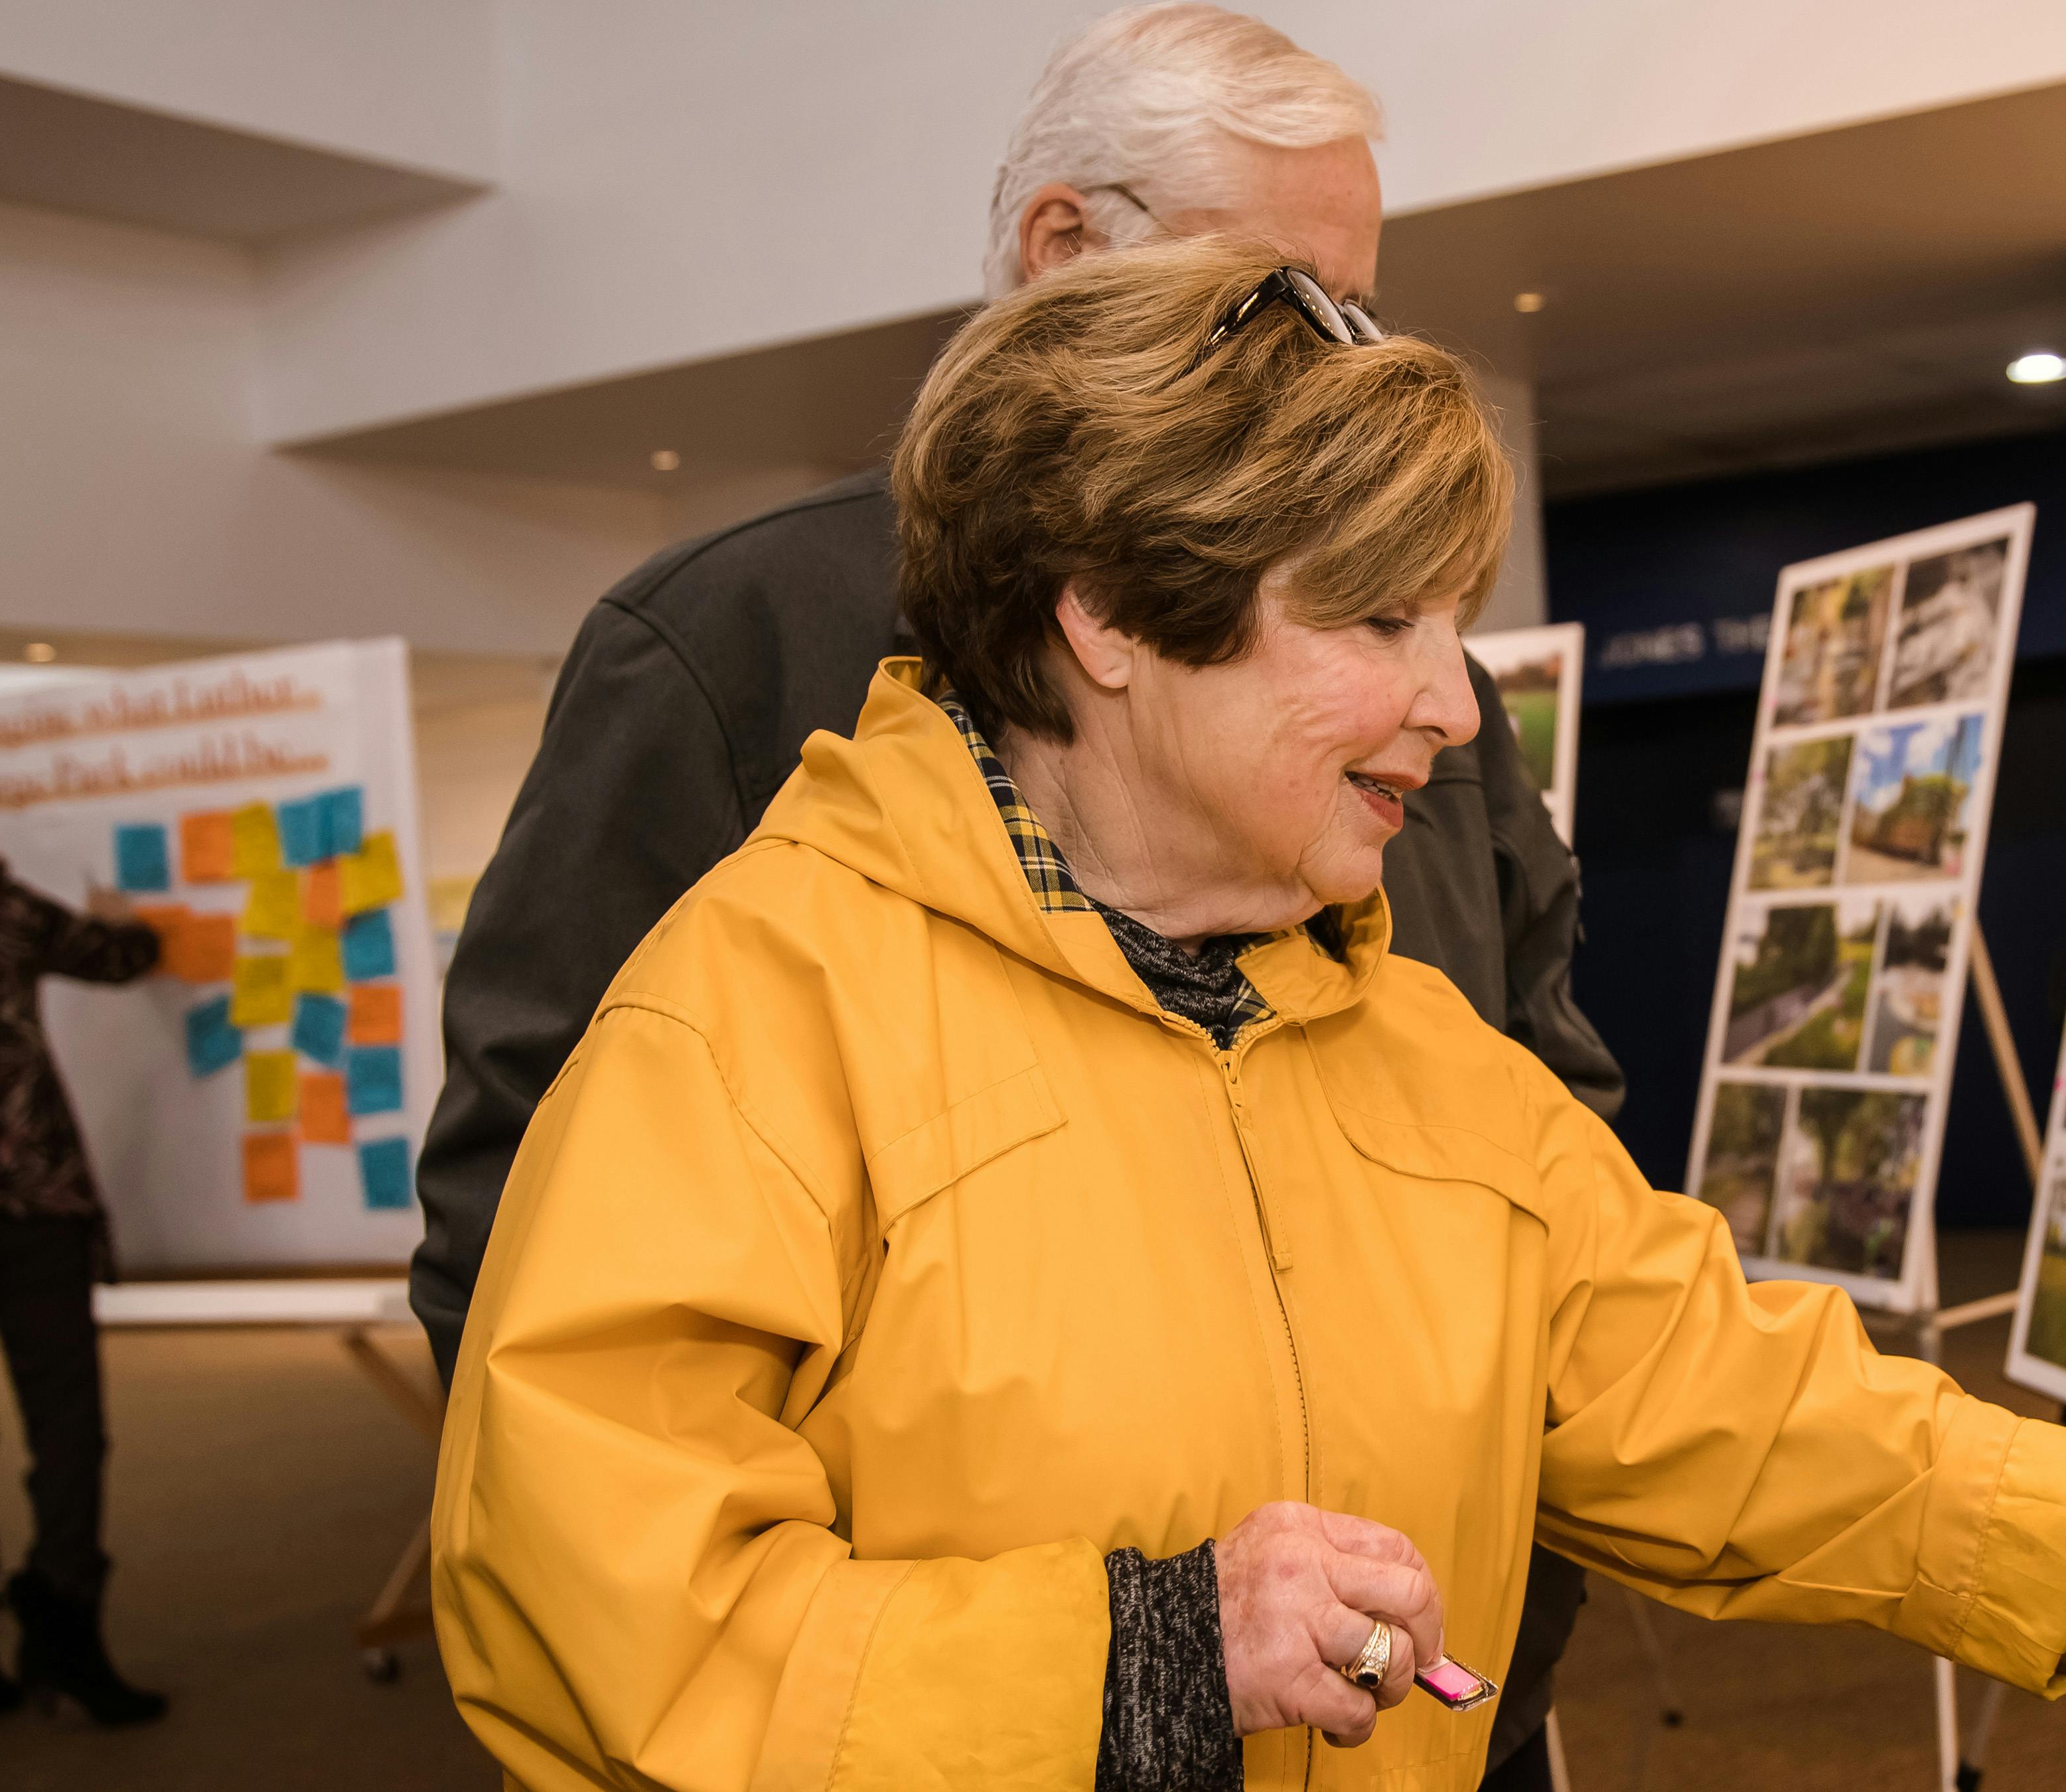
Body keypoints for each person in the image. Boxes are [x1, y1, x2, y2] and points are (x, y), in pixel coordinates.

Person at [431, 237, 2066, 1792]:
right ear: (1104, 621)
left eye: (1454, 623)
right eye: (1374, 619)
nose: (1453, 707)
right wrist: (1141, 1661)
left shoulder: (1421, 1070)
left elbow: (1781, 1433)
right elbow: (602, 1629)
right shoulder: (751, 1023)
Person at [407, 10, 1611, 1780]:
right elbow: (539, 1275)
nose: (1337, 362)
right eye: (1286, 298)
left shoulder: (1431, 710)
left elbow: (1553, 1128)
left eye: (1367, 311)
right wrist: (1060, 1674)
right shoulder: (724, 654)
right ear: (1062, 248)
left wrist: (1504, 1595)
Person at [0, 754, 168, 1729]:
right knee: (66, 1421)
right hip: (32, 1196)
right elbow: (124, 956)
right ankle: (65, 1620)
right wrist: (124, 919)